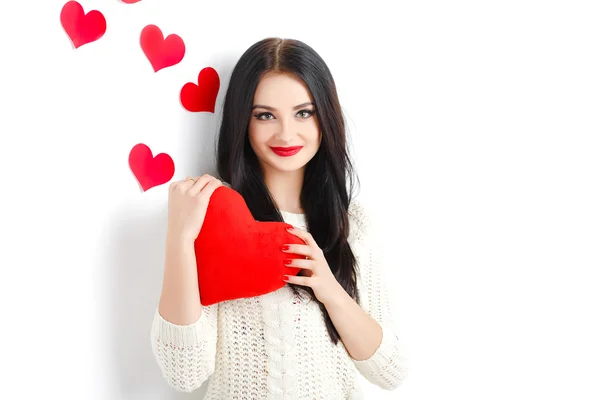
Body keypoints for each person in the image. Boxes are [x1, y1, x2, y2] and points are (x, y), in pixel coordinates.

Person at [150, 37, 408, 399]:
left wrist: (328, 287)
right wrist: (179, 238)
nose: (286, 133)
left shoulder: (355, 224)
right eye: (265, 115)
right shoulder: (214, 215)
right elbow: (185, 371)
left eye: (304, 112)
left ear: (325, 116)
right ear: (243, 121)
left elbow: (391, 370)